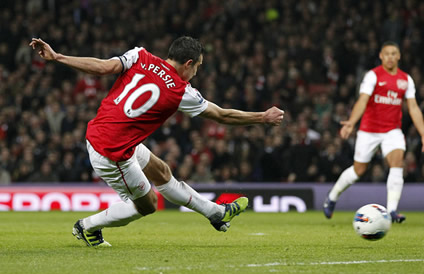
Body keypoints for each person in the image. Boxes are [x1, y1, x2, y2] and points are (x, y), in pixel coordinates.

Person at [29, 37, 284, 247]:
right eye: (197, 67)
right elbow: (221, 115)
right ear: (188, 63)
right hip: (112, 152)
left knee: (161, 171)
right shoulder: (181, 91)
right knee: (148, 205)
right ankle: (87, 226)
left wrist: (59, 57)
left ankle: (215, 213)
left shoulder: (140, 56)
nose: (195, 73)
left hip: (104, 133)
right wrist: (262, 117)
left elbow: (103, 67)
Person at [323, 41, 424, 223]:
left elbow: (413, 107)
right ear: (381, 56)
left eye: (394, 54)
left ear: (399, 56)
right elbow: (362, 101)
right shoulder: (373, 76)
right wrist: (352, 122)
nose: (390, 57)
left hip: (392, 130)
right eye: (387, 54)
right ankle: (333, 196)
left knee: (397, 161)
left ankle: (392, 211)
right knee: (358, 170)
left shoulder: (405, 79)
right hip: (369, 130)